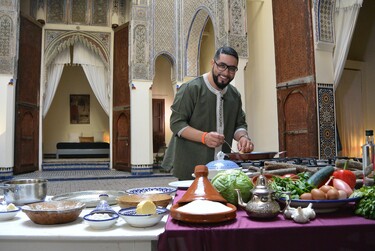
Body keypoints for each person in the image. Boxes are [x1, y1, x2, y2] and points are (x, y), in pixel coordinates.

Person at [164, 46, 254, 180]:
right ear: (213, 63)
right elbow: (177, 124)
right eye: (222, 66)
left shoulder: (234, 95)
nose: (226, 72)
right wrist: (204, 137)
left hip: (222, 170)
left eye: (231, 69)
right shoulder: (191, 89)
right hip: (191, 167)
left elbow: (239, 124)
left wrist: (243, 137)